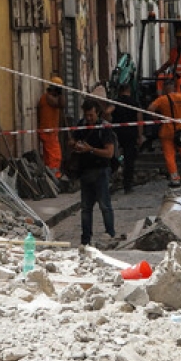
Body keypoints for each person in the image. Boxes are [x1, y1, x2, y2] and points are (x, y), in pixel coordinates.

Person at [70, 99, 116, 246]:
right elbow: (71, 140)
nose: (89, 118)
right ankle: (85, 239)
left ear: (97, 113)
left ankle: (110, 235)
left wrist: (90, 149)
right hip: (85, 171)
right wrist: (75, 145)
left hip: (101, 170)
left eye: (91, 115)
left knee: (105, 205)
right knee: (85, 208)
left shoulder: (104, 128)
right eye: (86, 115)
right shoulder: (81, 125)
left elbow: (109, 153)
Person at [146, 78, 181, 187]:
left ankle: (175, 179)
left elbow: (150, 108)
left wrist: (155, 116)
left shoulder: (161, 100)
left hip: (167, 132)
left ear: (165, 88)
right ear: (174, 87)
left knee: (170, 156)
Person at [104, 84, 142, 193]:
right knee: (129, 161)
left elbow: (107, 112)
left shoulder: (116, 102)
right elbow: (140, 120)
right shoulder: (134, 103)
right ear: (129, 90)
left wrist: (110, 121)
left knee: (114, 156)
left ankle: (110, 181)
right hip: (131, 134)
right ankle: (127, 185)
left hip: (117, 134)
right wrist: (140, 136)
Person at [37, 76, 65, 178]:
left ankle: (50, 175)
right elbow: (58, 104)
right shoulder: (47, 97)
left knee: (49, 157)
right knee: (55, 156)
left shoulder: (54, 97)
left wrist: (60, 93)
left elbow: (62, 104)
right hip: (48, 132)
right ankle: (55, 175)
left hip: (51, 132)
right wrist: (59, 94)